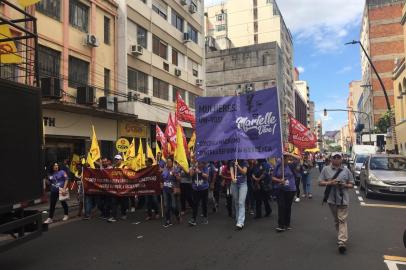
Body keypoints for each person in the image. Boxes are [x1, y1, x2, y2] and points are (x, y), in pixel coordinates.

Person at [319, 152, 354, 254]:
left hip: (343, 199)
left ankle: (342, 242)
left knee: (342, 219)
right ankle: (341, 235)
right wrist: (330, 183)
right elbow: (320, 182)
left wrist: (344, 185)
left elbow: (351, 184)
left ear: (341, 159)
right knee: (336, 220)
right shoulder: (326, 169)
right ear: (331, 159)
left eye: (339, 157)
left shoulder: (346, 170)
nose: (337, 159)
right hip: (331, 200)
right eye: (335, 157)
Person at [272, 153, 298, 232]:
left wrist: (289, 153)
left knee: (287, 206)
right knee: (281, 206)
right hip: (280, 189)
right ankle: (281, 225)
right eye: (282, 158)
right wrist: (279, 180)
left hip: (290, 189)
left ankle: (287, 224)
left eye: (285, 158)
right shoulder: (277, 166)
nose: (283, 160)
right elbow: (272, 177)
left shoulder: (291, 165)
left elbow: (298, 159)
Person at [188, 161, 210, 226]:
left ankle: (205, 217)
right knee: (195, 204)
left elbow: (207, 176)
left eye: (200, 163)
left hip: (204, 188)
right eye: (198, 162)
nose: (199, 164)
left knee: (204, 204)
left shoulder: (205, 167)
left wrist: (200, 172)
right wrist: (194, 169)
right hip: (196, 189)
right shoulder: (194, 167)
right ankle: (193, 219)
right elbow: (191, 174)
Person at [162, 157, 181, 227]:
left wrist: (175, 175)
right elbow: (162, 178)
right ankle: (168, 220)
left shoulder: (175, 169)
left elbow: (179, 179)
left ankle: (177, 215)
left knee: (173, 206)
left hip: (173, 190)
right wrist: (161, 184)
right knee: (166, 205)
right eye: (167, 162)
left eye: (169, 162)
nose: (168, 163)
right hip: (165, 189)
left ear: (172, 162)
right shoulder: (164, 169)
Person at [230, 159, 248, 230]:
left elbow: (244, 172)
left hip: (243, 184)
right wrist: (232, 178)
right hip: (234, 184)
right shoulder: (232, 162)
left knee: (241, 202)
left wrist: (238, 166)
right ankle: (238, 218)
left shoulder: (245, 162)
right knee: (236, 202)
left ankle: (240, 222)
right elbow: (231, 171)